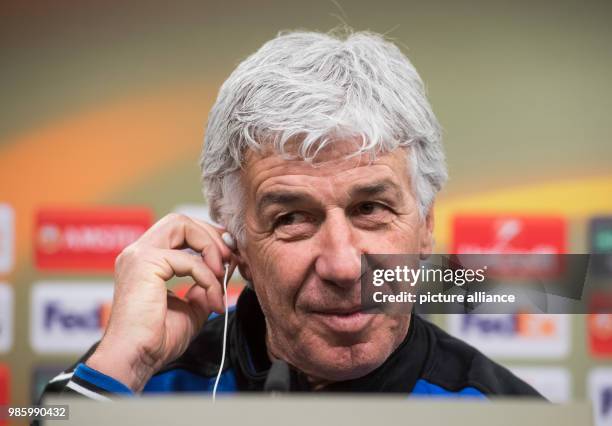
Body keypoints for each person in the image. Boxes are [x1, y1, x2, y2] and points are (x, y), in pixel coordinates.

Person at [41, 30, 541, 399]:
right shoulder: (133, 380)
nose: (343, 266)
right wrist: (127, 360)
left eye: (371, 209)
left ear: (426, 226)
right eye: (292, 219)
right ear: (236, 244)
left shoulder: (506, 407)